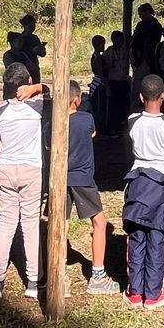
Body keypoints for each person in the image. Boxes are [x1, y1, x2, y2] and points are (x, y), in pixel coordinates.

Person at [0, 62, 46, 300]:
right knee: (30, 225)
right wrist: (38, 88)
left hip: (6, 169)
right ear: (28, 82)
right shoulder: (38, 106)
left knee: (7, 224)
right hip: (31, 169)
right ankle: (33, 280)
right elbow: (57, 93)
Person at [122, 75, 164, 309]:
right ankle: (154, 293)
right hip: (161, 184)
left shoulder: (132, 120)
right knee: (157, 239)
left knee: (136, 237)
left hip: (137, 181)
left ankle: (135, 292)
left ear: (140, 97)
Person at [63, 79, 120, 295]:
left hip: (60, 179)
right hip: (83, 179)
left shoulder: (53, 122)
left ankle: (60, 275)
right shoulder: (86, 119)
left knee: (61, 225)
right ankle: (97, 275)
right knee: (99, 222)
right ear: (77, 100)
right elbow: (93, 134)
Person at [106, 29, 133, 135]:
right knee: (114, 106)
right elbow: (107, 68)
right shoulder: (109, 51)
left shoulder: (124, 50)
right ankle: (113, 127)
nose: (120, 42)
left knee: (125, 104)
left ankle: (122, 125)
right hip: (114, 81)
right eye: (119, 39)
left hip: (123, 80)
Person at [130, 3, 162, 86]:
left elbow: (153, 42)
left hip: (150, 55)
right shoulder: (140, 24)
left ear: (148, 12)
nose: (140, 16)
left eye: (141, 14)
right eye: (139, 14)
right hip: (137, 54)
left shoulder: (155, 25)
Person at [89, 34, 110, 133]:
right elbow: (101, 73)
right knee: (100, 108)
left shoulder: (96, 56)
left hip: (96, 82)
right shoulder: (98, 58)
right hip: (99, 83)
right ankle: (99, 129)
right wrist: (107, 86)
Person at [15, 13, 46, 82]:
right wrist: (32, 51)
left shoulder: (35, 38)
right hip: (24, 69)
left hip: (34, 68)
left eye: (34, 25)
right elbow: (17, 53)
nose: (32, 27)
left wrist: (41, 49)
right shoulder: (20, 38)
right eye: (30, 25)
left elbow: (43, 54)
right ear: (25, 26)